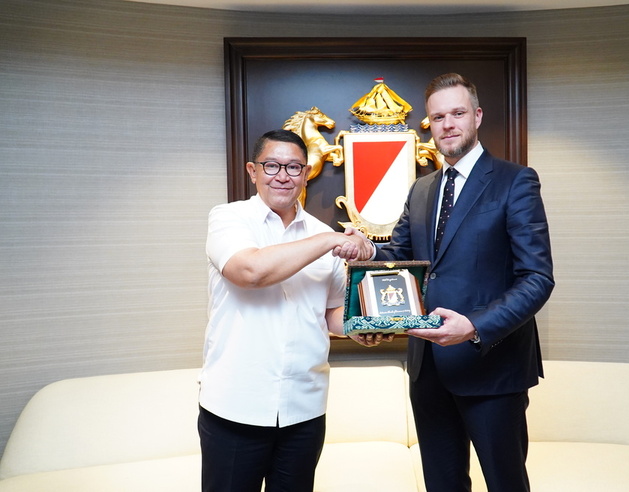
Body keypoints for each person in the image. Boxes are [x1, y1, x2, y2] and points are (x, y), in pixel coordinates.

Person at [372, 73, 555, 491]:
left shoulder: (516, 180)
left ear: (477, 116)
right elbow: (400, 260)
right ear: (429, 124)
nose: (448, 124)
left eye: (457, 113)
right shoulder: (420, 190)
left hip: (492, 367)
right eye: (438, 117)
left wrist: (473, 326)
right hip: (428, 370)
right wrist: (363, 250)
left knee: (505, 483)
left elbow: (537, 278)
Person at [198, 129, 386, 492]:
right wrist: (330, 240)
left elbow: (331, 312)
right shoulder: (229, 219)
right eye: (272, 165)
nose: (283, 176)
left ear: (306, 174)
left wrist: (358, 327)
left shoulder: (321, 233)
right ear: (253, 171)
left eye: (294, 167)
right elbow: (250, 272)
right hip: (235, 405)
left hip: (305, 409)